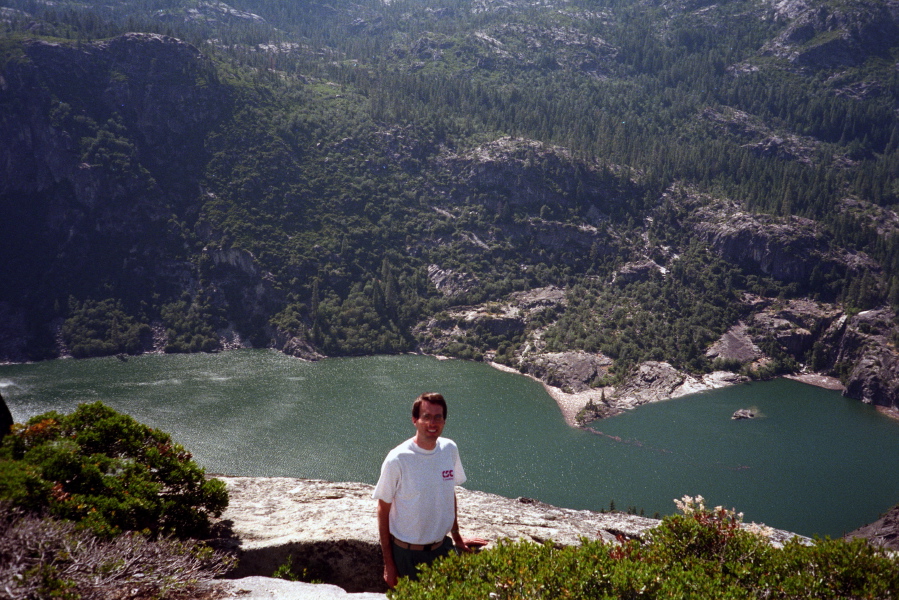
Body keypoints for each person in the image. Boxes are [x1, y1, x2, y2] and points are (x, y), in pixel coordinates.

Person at [372, 392, 487, 588]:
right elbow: (383, 509)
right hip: (408, 555)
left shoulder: (449, 449)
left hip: (442, 548)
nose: (432, 423)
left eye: (438, 417)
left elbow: (448, 493)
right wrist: (389, 564)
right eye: (426, 417)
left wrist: (457, 536)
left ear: (444, 421)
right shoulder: (398, 459)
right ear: (415, 420)